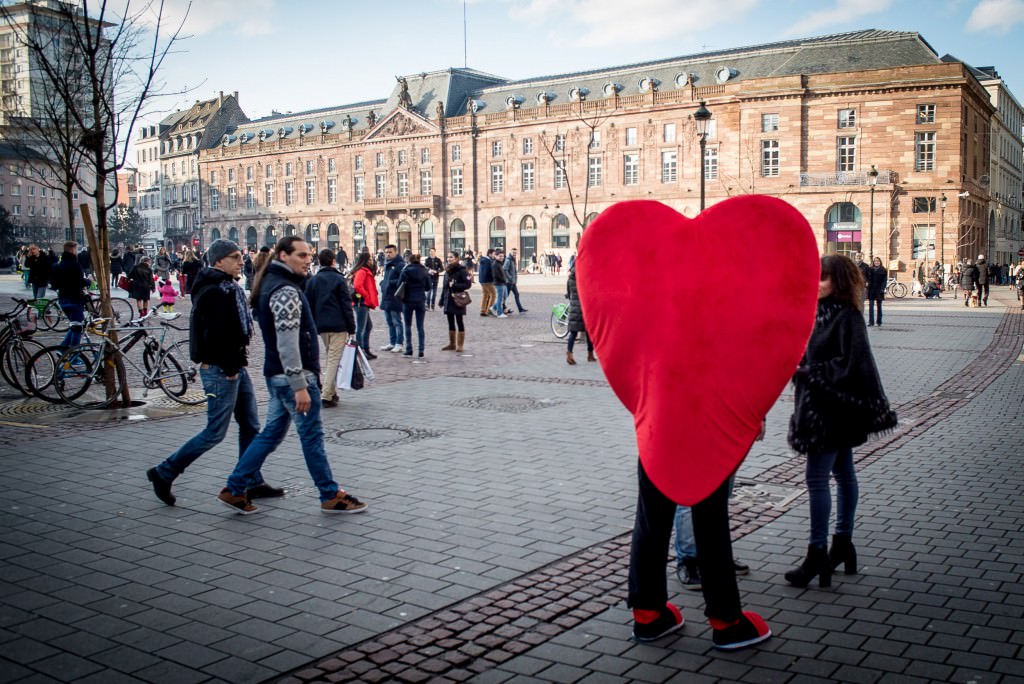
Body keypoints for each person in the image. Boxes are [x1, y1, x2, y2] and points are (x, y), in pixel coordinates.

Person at [218, 237, 367, 515]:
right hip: (292, 378)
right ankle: (329, 493)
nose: (308, 260)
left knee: (271, 434)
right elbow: (288, 343)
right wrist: (299, 384)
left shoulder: (274, 284)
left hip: (277, 375)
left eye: (309, 254)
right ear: (284, 256)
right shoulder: (285, 290)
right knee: (311, 437)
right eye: (301, 255)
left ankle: (236, 487)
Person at [786, 254, 897, 588]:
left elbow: (853, 365)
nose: (815, 283)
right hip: (820, 406)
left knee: (817, 478)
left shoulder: (847, 317)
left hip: (833, 410)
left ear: (840, 281)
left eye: (823, 278)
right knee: (843, 473)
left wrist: (810, 372)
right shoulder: (813, 313)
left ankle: (818, 551)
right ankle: (843, 543)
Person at [147, 239, 284, 506]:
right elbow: (215, 334)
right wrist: (231, 365)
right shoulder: (213, 290)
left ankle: (250, 480)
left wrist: (238, 363)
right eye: (234, 257)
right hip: (221, 368)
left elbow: (236, 330)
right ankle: (165, 471)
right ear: (219, 261)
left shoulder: (228, 287)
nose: (239, 261)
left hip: (235, 365)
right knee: (215, 432)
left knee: (251, 425)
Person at [304, 249, 356, 408]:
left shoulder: (313, 281)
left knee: (331, 356)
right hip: (338, 325)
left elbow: (308, 305)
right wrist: (351, 326)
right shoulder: (339, 279)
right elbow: (346, 305)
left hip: (321, 326)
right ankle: (326, 395)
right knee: (334, 359)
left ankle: (332, 392)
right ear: (333, 261)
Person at [50, 241, 90, 348]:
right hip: (74, 298)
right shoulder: (74, 265)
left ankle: (63, 349)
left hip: (63, 298)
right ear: (73, 250)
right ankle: (73, 353)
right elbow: (79, 281)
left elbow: (54, 284)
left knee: (74, 325)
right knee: (77, 328)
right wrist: (88, 281)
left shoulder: (59, 265)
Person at [397, 253, 431, 357]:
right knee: (420, 326)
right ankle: (421, 350)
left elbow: (399, 284)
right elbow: (428, 287)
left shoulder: (406, 271)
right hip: (420, 299)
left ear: (410, 260)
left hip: (408, 300)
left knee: (407, 325)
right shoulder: (424, 271)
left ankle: (409, 349)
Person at [440, 251, 471, 352]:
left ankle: (460, 345)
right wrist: (441, 299)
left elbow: (467, 284)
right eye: (448, 257)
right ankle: (452, 343)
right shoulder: (447, 270)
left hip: (458, 299)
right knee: (450, 321)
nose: (449, 259)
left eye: (451, 257)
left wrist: (455, 285)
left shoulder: (462, 270)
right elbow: (445, 287)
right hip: (448, 299)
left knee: (459, 320)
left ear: (456, 258)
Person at [351, 251, 379, 360]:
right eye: (370, 260)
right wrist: (367, 296)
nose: (372, 261)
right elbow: (358, 286)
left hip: (363, 303)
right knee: (361, 328)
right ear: (366, 261)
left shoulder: (365, 271)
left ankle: (365, 349)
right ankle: (360, 350)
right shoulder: (362, 271)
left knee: (368, 326)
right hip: (361, 302)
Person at [564, 265, 594, 365]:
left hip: (574, 308)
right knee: (589, 332)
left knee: (573, 333)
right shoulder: (585, 277)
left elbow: (568, 294)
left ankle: (569, 354)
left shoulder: (570, 279)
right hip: (584, 308)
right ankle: (590, 354)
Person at [379, 244, 405, 352]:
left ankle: (399, 343)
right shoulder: (387, 264)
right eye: (386, 252)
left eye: (390, 252)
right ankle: (392, 342)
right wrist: (383, 283)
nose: (388, 254)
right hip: (386, 296)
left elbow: (402, 280)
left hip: (395, 297)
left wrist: (389, 283)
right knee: (389, 321)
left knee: (396, 321)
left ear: (395, 252)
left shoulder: (400, 264)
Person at [865, 256, 887, 327]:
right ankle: (871, 322)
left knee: (879, 306)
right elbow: (867, 277)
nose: (876, 262)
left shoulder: (883, 270)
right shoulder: (870, 269)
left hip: (879, 289)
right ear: (873, 262)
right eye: (875, 261)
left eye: (878, 261)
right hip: (872, 289)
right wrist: (867, 283)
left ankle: (879, 321)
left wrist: (883, 288)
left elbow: (884, 280)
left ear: (880, 262)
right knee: (871, 306)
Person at [505, 248, 527, 313]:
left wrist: (514, 280)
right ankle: (501, 308)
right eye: (513, 253)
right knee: (505, 296)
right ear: (510, 252)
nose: (514, 254)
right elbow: (505, 269)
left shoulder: (512, 260)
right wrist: (510, 277)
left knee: (516, 294)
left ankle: (520, 308)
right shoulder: (508, 260)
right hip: (509, 282)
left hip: (513, 282)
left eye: (515, 253)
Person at [491, 248, 509, 318]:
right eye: (500, 256)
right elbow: (496, 275)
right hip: (499, 283)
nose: (502, 257)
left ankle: (493, 308)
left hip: (503, 283)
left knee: (504, 297)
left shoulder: (500, 263)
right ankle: (499, 313)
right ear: (495, 256)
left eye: (503, 256)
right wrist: (504, 280)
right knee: (500, 298)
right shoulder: (495, 264)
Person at [477, 249, 496, 316]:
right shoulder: (488, 261)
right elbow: (488, 272)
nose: (495, 255)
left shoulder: (483, 259)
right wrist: (493, 278)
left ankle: (483, 310)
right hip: (487, 281)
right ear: (490, 254)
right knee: (493, 294)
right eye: (494, 254)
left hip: (482, 280)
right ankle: (489, 310)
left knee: (485, 295)